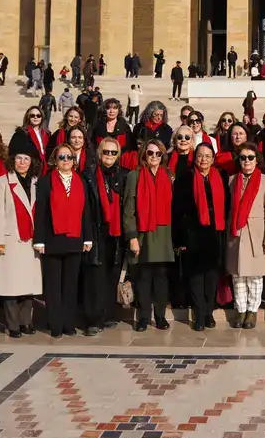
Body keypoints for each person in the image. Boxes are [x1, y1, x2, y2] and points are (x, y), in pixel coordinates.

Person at [33, 144, 94, 338]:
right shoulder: (45, 182)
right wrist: (39, 240)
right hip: (52, 240)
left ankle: (69, 323)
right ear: (55, 160)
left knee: (70, 285)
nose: (66, 160)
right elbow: (40, 213)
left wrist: (88, 237)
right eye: (62, 157)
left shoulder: (80, 181)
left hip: (75, 238)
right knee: (53, 286)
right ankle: (55, 324)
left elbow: (86, 211)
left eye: (69, 157)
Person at [0, 137, 42, 338]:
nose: (22, 162)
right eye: (19, 158)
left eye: (26, 159)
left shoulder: (37, 182)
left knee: (28, 285)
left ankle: (26, 322)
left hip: (30, 240)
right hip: (10, 241)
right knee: (10, 286)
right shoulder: (2, 182)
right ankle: (12, 325)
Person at [173, 143, 227, 331]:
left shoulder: (221, 177)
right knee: (195, 276)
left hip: (214, 233)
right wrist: (180, 239)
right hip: (192, 234)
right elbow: (177, 210)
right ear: (194, 158)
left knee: (211, 275)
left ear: (213, 158)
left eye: (207, 156)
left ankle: (209, 312)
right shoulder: (185, 178)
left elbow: (226, 207)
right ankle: (199, 313)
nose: (203, 159)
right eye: (200, 156)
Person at [124, 139, 175, 332]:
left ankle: (160, 316)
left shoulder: (168, 176)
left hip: (163, 233)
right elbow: (128, 209)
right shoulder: (134, 176)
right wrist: (132, 236)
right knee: (143, 277)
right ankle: (144, 317)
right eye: (150, 153)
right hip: (143, 233)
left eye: (158, 153)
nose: (154, 157)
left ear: (162, 156)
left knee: (161, 278)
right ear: (144, 154)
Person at [225, 142, 265, 330]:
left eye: (251, 157)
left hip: (257, 233)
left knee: (254, 276)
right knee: (237, 275)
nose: (247, 161)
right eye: (243, 157)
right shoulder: (231, 180)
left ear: (257, 160)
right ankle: (240, 310)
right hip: (236, 233)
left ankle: (252, 311)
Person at [81, 138, 126, 335]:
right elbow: (84, 208)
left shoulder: (123, 175)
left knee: (112, 275)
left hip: (116, 233)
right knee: (95, 277)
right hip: (96, 229)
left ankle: (109, 314)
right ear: (100, 153)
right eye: (106, 152)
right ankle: (94, 319)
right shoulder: (89, 175)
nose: (109, 156)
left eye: (113, 152)